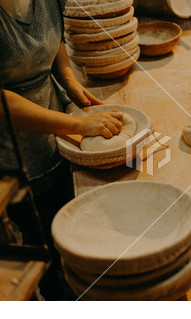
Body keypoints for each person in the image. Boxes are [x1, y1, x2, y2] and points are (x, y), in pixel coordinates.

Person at [0, 0, 123, 299]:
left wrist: (69, 81)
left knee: (71, 220)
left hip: (55, 126)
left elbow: (52, 40)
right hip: (12, 150)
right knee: (39, 238)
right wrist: (77, 126)